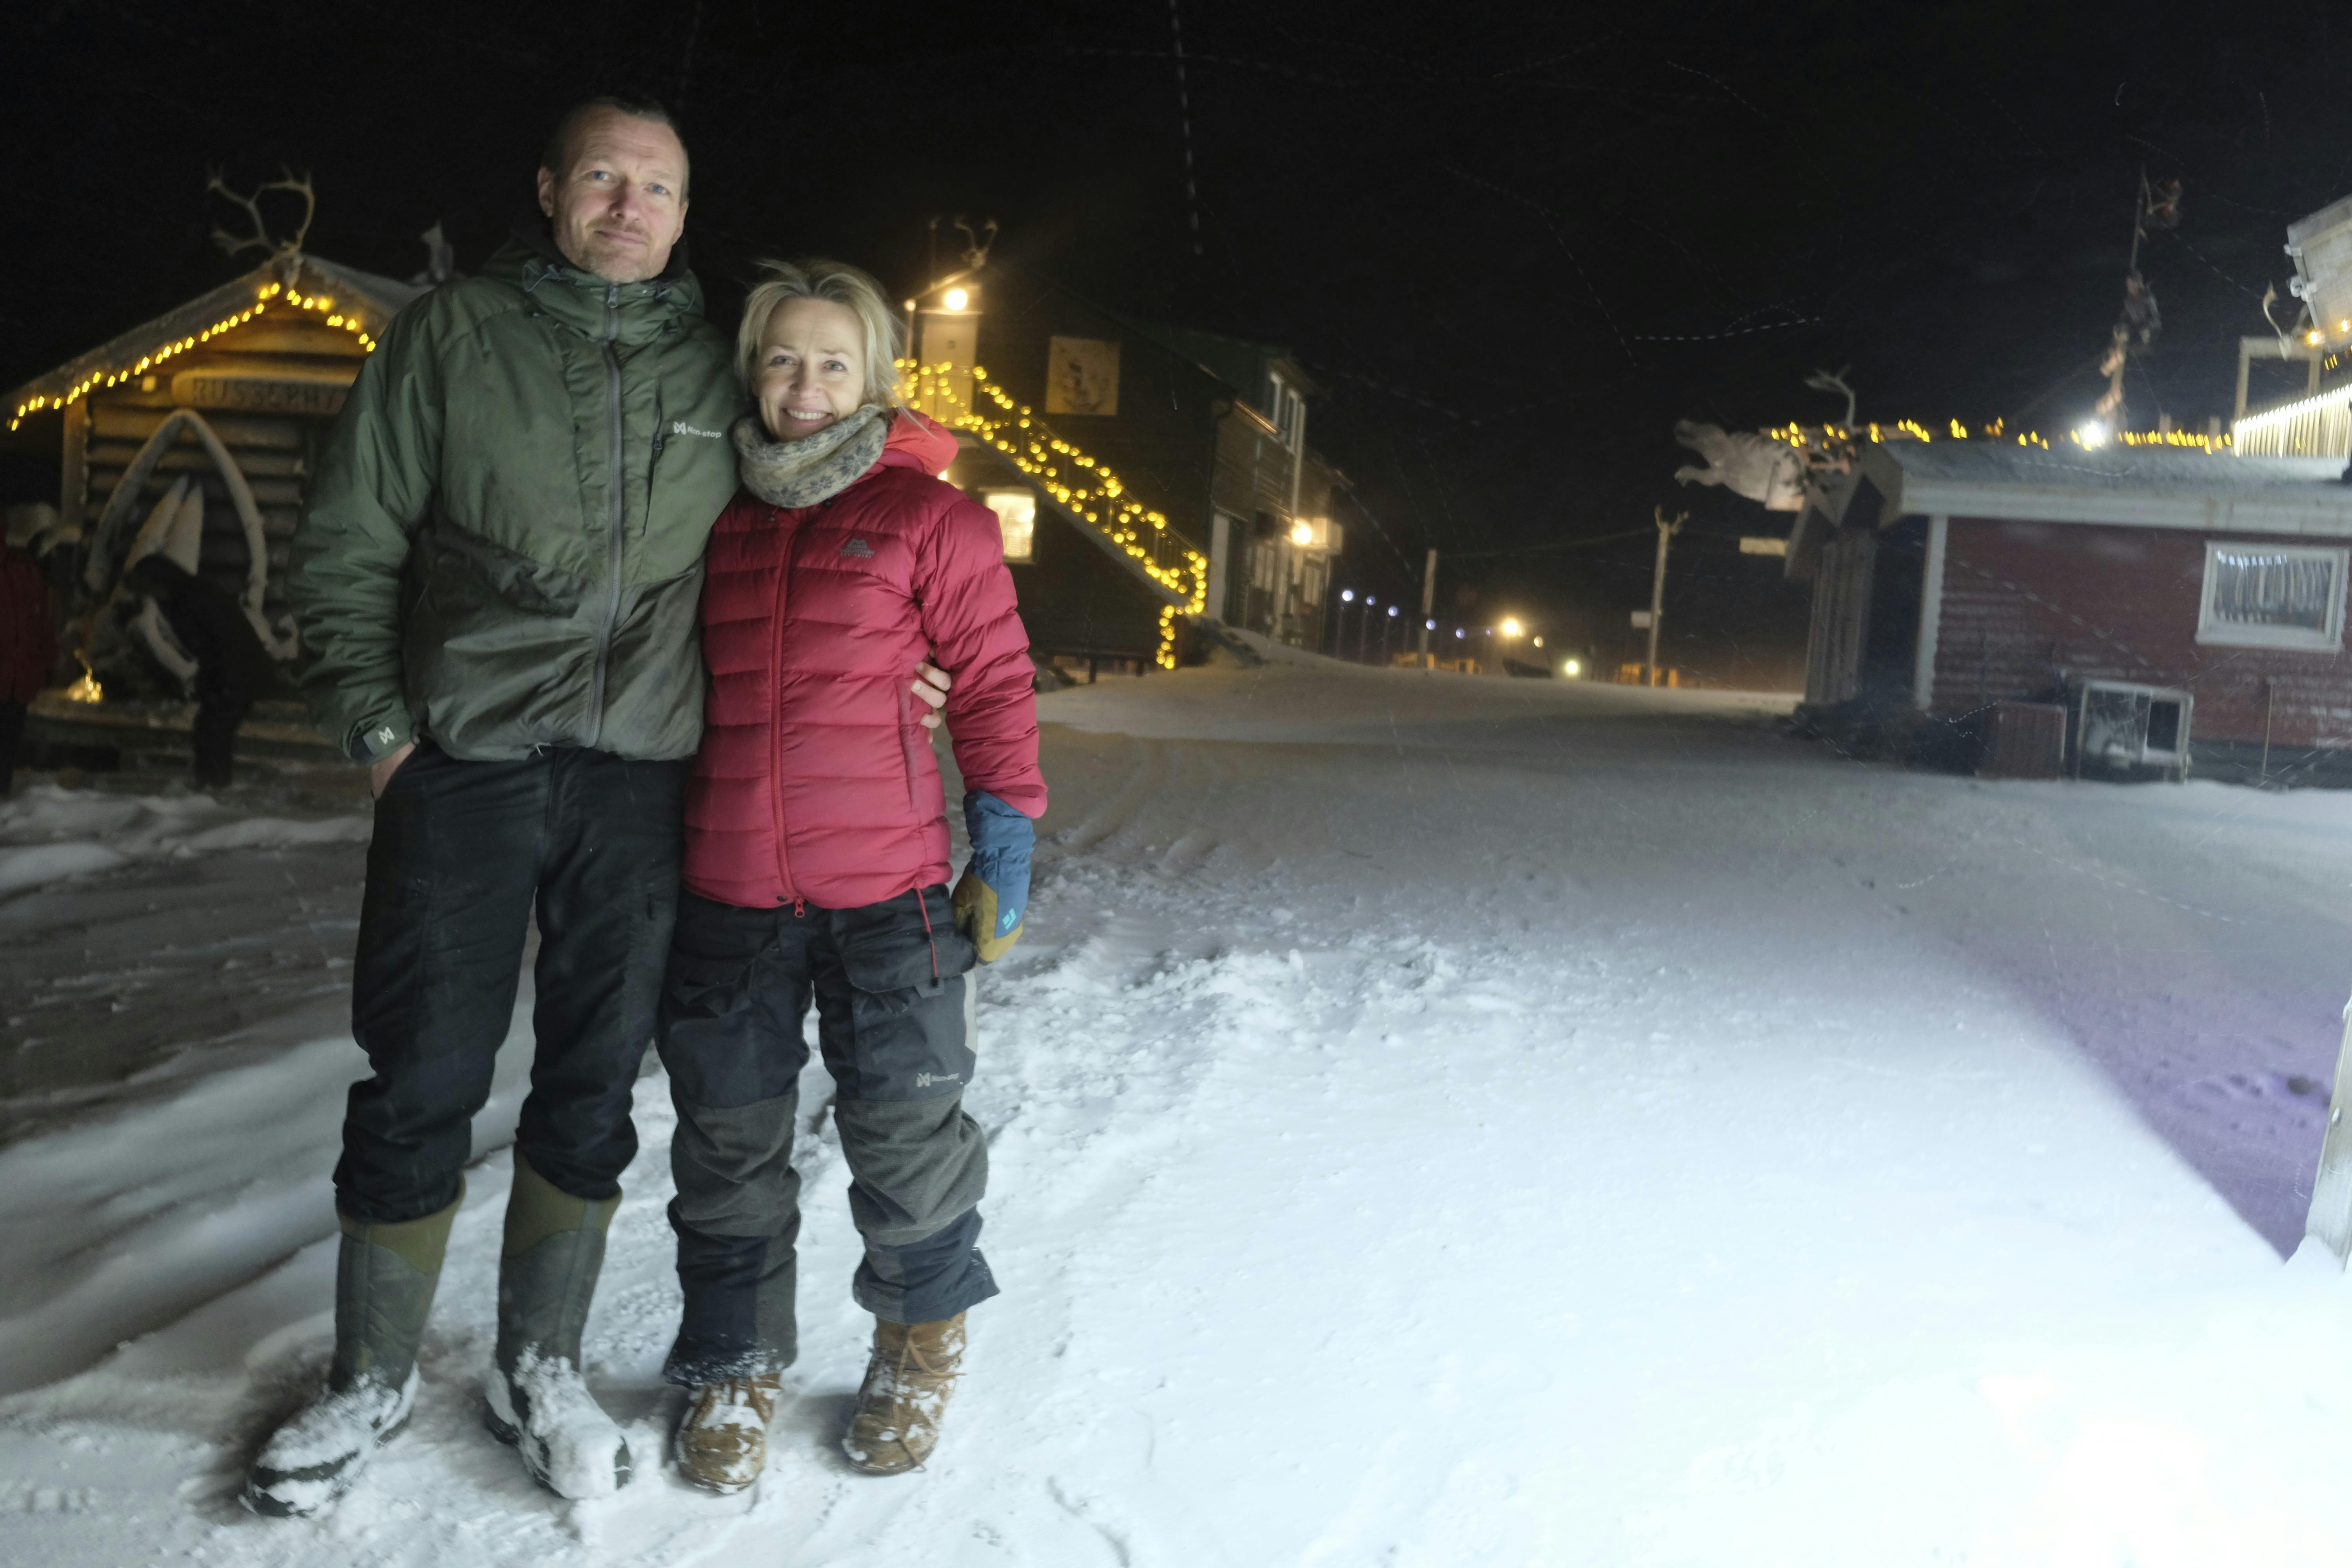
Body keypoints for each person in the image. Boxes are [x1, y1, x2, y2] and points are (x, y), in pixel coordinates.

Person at [249, 96, 949, 1516]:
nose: (628, 206)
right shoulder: (451, 336)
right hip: (465, 765)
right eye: (602, 180)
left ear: (688, 215)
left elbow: (845, 484)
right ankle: (369, 1374)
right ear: (553, 193)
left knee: (591, 1079)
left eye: (658, 187)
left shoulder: (721, 362)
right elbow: (348, 539)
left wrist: (909, 648)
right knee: (422, 1069)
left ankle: (538, 1362)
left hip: (644, 783)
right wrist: (385, 735)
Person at [655, 258, 1044, 1494]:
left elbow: (987, 683)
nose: (805, 386)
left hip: (886, 892)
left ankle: (917, 1342)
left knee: (905, 1129)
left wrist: (1007, 836)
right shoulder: (707, 511)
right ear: (749, 370)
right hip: (724, 887)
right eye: (782, 358)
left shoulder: (936, 519)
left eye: (833, 362)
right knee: (723, 1144)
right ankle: (730, 1361)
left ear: (874, 378)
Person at [125, 555, 269, 787]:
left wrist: (224, 683)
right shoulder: (177, 600)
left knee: (214, 731)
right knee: (209, 730)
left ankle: (215, 787)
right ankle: (211, 785)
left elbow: (226, 641)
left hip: (238, 670)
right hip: (223, 670)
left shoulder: (196, 598)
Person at [0, 513, 56, 794]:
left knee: (7, 748)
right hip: (13, 677)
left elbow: (40, 620)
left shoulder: (24, 570)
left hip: (17, 682)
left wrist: (46, 662)